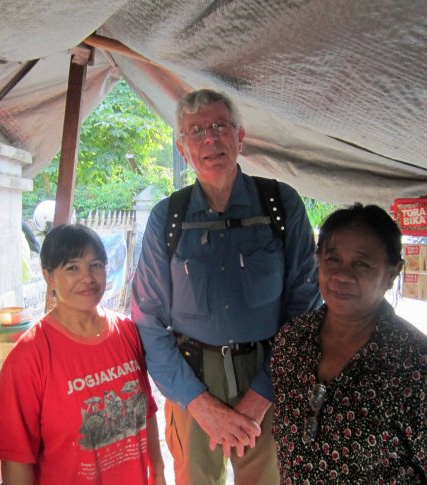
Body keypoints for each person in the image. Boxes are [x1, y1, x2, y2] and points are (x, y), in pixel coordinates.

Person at [131, 89, 321, 484]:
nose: (210, 138)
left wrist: (260, 397)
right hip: (192, 381)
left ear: (240, 136)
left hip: (269, 380)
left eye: (220, 126)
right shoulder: (168, 217)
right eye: (195, 131)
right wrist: (200, 405)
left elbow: (305, 311)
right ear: (183, 149)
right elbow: (148, 321)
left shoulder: (280, 206)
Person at [271, 203, 427, 483]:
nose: (342, 275)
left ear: (392, 274)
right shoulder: (292, 343)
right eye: (333, 259)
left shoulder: (422, 366)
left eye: (362, 263)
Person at [0, 224, 165, 485]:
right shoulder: (29, 356)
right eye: (72, 268)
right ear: (49, 277)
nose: (88, 277)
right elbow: (16, 456)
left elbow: (147, 413)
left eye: (96, 265)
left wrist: (158, 474)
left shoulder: (127, 332)